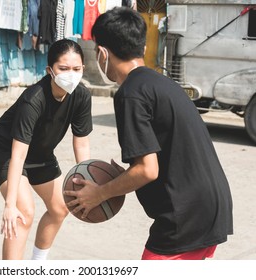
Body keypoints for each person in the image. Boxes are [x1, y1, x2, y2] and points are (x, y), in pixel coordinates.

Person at [64, 7, 233, 260]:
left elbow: (147, 169)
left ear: (101, 54)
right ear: (142, 48)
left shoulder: (131, 93)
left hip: (184, 219)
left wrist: (99, 193)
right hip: (211, 208)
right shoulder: (161, 83)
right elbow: (163, 161)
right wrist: (123, 179)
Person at [0, 39, 92, 260]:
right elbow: (18, 154)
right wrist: (9, 205)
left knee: (60, 208)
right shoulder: (33, 99)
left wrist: (86, 178)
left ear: (83, 68)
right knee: (23, 212)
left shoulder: (82, 96)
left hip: (41, 152)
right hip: (8, 150)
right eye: (63, 69)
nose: (70, 74)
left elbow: (81, 142)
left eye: (76, 69)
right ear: (50, 70)